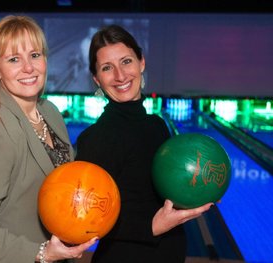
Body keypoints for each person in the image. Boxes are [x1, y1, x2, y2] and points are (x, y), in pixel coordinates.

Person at [0, 15, 97, 263]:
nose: (28, 68)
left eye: (35, 55)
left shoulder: (50, 112)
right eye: (13, 59)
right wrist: (41, 253)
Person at [74, 24, 213, 262]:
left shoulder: (157, 125)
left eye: (126, 61)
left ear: (142, 62)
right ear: (97, 79)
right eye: (107, 68)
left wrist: (201, 185)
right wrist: (152, 226)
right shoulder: (95, 139)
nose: (120, 75)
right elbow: (87, 214)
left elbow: (169, 187)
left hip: (169, 253)